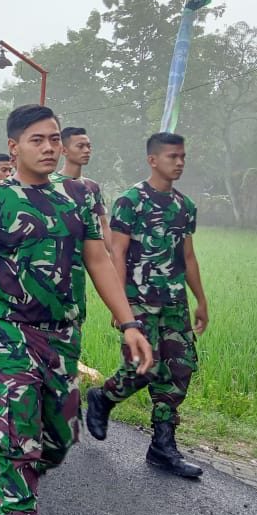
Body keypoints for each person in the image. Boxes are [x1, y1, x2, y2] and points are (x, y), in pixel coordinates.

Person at [0, 104, 153, 515]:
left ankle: (8, 476)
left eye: (54, 139)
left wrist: (129, 324)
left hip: (63, 336)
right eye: (37, 139)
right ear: (14, 147)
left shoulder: (78, 198)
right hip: (10, 332)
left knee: (61, 441)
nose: (49, 147)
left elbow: (100, 262)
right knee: (20, 435)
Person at [86, 132, 207, 479]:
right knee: (144, 368)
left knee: (178, 371)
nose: (179, 162)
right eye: (172, 156)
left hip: (174, 303)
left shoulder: (185, 206)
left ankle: (162, 447)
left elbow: (188, 256)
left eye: (183, 156)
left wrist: (201, 300)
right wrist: (119, 305)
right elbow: (117, 253)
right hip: (139, 300)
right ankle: (104, 397)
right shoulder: (131, 201)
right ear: (153, 159)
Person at [52, 127, 112, 257]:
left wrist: (115, 254)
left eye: (89, 146)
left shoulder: (91, 186)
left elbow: (103, 225)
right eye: (80, 146)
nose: (86, 150)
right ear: (64, 150)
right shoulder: (51, 184)